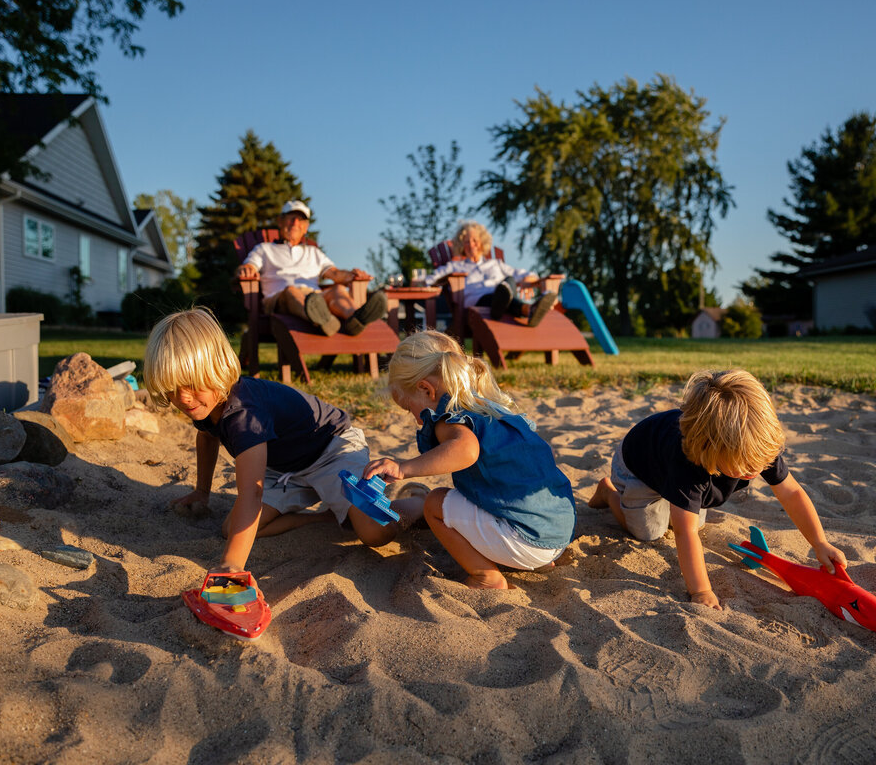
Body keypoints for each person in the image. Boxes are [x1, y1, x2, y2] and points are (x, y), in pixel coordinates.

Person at [143, 307, 421, 573]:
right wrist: (201, 491)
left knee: (374, 534)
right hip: (286, 468)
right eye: (172, 388)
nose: (183, 398)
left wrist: (232, 566)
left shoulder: (243, 415)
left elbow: (251, 493)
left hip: (331, 449)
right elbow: (206, 436)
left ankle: (422, 503)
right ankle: (323, 517)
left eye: (191, 384)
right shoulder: (205, 403)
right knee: (231, 529)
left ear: (216, 368)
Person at [588, 368, 846, 610]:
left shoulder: (756, 446)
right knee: (649, 531)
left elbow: (791, 493)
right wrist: (700, 590)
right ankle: (608, 492)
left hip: (674, 471)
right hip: (639, 468)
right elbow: (684, 532)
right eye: (745, 466)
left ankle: (669, 501)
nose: (755, 470)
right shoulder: (688, 463)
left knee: (695, 519)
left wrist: (820, 542)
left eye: (760, 463)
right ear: (711, 449)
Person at [364, 330, 576, 588]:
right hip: (558, 534)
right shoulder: (491, 410)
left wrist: (402, 469)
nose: (417, 420)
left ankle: (485, 575)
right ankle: (531, 559)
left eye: (410, 409)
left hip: (524, 540)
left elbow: (466, 450)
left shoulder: (448, 418)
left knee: (434, 504)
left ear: (425, 389)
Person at [235, 199, 387, 336]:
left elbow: (334, 273)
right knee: (292, 291)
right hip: (279, 299)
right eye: (290, 217)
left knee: (338, 290)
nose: (295, 223)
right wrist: (247, 269)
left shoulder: (313, 252)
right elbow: (249, 266)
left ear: (305, 227)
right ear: (280, 221)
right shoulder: (264, 249)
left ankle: (355, 319)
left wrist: (353, 275)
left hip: (315, 299)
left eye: (300, 219)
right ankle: (322, 320)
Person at [425, 220, 558, 326]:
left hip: (501, 302)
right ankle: (528, 310)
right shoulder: (455, 267)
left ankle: (515, 304)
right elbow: (430, 279)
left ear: (482, 242)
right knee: (500, 293)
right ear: (461, 245)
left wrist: (528, 281)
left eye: (475, 240)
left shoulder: (496, 264)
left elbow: (525, 274)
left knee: (509, 281)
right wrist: (419, 281)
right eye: (467, 242)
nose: (471, 245)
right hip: (477, 305)